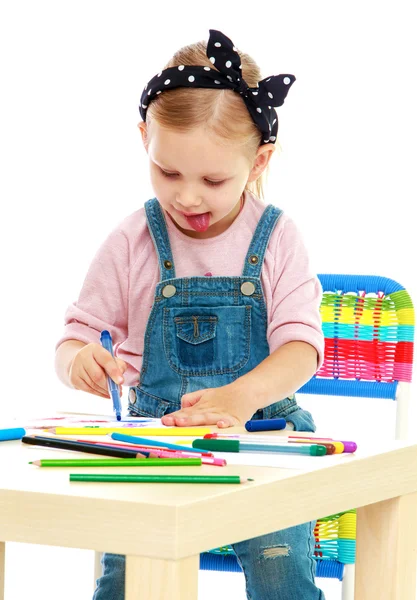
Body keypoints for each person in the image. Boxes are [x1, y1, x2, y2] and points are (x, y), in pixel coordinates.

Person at [55, 28, 325, 600]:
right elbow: (75, 336)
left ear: (259, 161)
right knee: (126, 582)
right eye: (168, 173)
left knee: (284, 579)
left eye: (213, 180)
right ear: (144, 142)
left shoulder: (277, 237)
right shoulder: (133, 240)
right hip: (155, 444)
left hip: (262, 440)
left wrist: (241, 397)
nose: (188, 198)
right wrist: (79, 361)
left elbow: (301, 349)